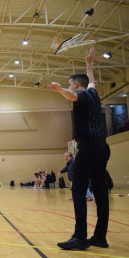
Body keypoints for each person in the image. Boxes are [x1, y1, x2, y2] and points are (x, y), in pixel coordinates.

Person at [48, 47, 111, 250]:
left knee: (78, 189)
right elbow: (91, 79)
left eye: (70, 84)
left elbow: (72, 96)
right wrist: (89, 64)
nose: (69, 86)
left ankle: (80, 237)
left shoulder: (82, 96)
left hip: (89, 148)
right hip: (103, 148)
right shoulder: (94, 93)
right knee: (100, 191)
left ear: (75, 84)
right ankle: (100, 237)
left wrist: (60, 90)